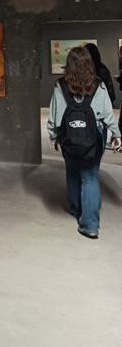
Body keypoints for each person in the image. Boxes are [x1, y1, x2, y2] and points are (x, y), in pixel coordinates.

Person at [47, 47, 122, 239]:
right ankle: (90, 224)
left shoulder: (60, 85)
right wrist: (116, 134)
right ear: (89, 64)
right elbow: (107, 114)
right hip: (94, 137)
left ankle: (76, 208)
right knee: (90, 176)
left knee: (72, 172)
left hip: (68, 137)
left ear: (69, 64)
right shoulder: (99, 85)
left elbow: (55, 115)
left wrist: (54, 137)